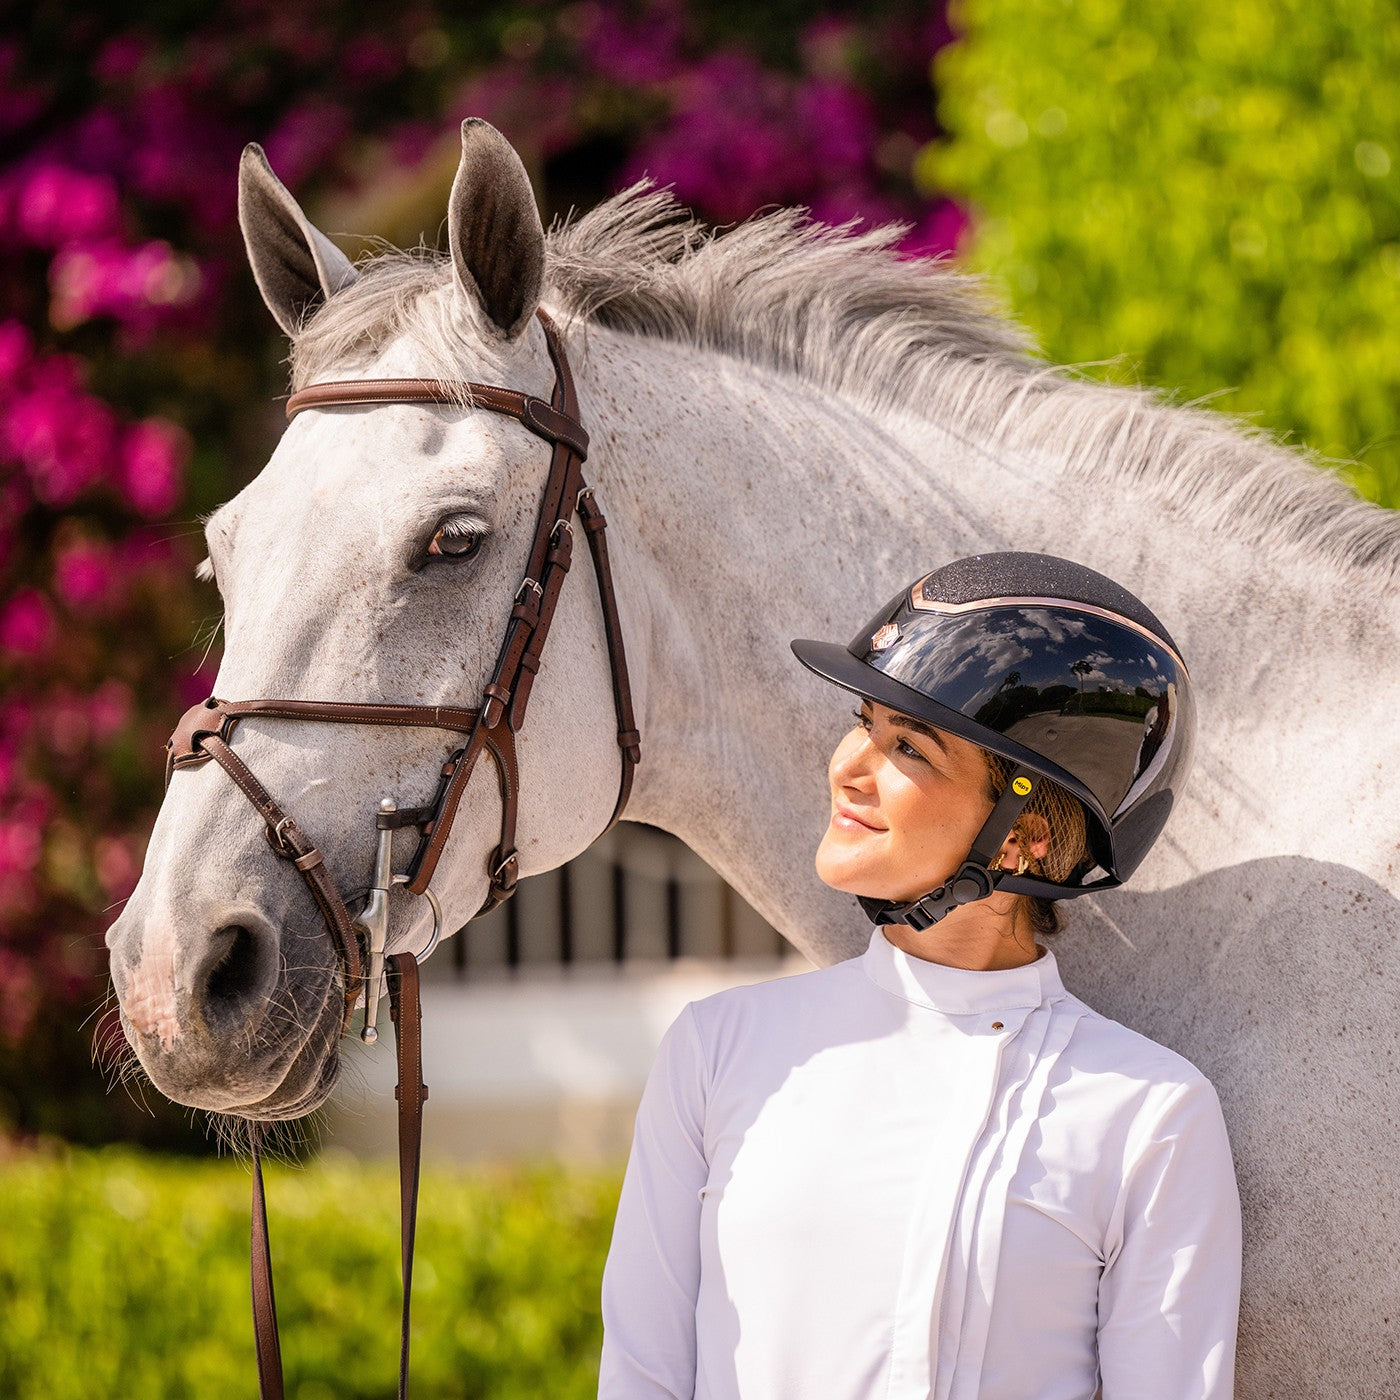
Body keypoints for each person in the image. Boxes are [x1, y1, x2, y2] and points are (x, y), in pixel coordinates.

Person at [598, 552, 1241, 1400]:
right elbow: (641, 1377)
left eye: (908, 746)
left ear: (1023, 837)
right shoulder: (718, 1052)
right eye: (863, 721)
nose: (847, 768)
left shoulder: (1151, 1113)